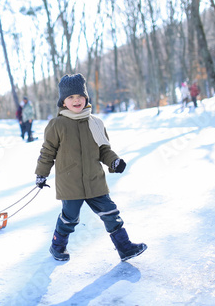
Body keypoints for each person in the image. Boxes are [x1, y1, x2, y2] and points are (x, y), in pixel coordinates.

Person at [34, 73, 147, 262]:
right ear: (63, 102)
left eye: (79, 96)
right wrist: (41, 174)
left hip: (95, 180)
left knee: (111, 213)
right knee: (69, 219)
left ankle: (125, 248)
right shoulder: (57, 125)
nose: (76, 100)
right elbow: (47, 152)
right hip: (70, 184)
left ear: (86, 98)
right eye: (70, 97)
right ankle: (57, 246)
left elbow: (104, 150)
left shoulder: (95, 123)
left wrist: (114, 161)